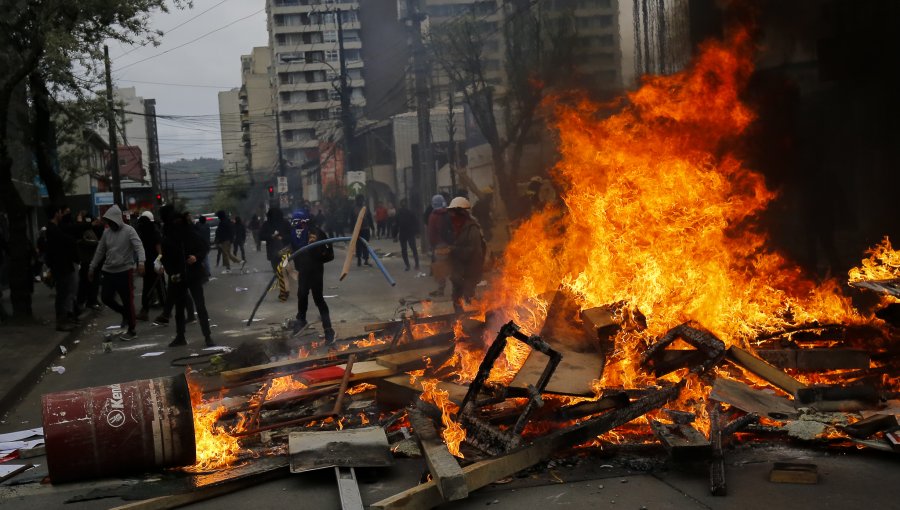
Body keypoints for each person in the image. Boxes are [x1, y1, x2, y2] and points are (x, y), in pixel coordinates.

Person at [88, 204, 145, 340]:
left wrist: (141, 262)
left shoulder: (129, 230)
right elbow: (100, 251)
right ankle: (125, 313)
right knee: (106, 297)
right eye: (108, 222)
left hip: (124, 271)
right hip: (108, 270)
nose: (110, 224)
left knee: (127, 300)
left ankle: (132, 329)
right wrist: (92, 267)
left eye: (111, 221)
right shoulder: (106, 233)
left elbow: (139, 246)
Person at [161, 207, 214, 347]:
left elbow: (204, 248)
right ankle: (180, 336)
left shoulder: (191, 234)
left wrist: (196, 257)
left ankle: (207, 336)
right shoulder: (168, 238)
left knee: (200, 306)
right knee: (179, 308)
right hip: (178, 277)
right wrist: (172, 273)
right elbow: (165, 259)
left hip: (194, 274)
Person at [288, 209, 335, 343]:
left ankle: (328, 330)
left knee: (318, 299)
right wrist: (281, 254)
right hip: (303, 270)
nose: (296, 226)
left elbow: (324, 246)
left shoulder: (314, 232)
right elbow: (292, 248)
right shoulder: (294, 234)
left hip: (315, 270)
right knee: (302, 295)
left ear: (304, 222)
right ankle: (301, 320)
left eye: (298, 223)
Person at [446, 197, 485, 313]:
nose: (451, 215)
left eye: (454, 212)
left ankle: (472, 327)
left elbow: (474, 251)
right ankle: (460, 325)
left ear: (461, 212)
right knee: (457, 300)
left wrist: (453, 250)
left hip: (469, 272)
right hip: (458, 272)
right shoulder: (458, 227)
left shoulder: (472, 229)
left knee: (468, 301)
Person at [45, 205, 79, 331]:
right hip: (60, 266)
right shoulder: (53, 229)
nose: (62, 215)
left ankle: (65, 319)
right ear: (56, 214)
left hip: (63, 265)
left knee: (65, 292)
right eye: (60, 213)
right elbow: (66, 241)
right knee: (62, 294)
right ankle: (61, 321)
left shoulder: (55, 228)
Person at [135, 211, 163, 321]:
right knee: (151, 288)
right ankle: (146, 310)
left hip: (152, 264)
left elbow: (159, 251)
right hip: (148, 264)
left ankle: (164, 310)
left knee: (156, 288)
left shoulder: (150, 233)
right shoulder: (146, 234)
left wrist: (159, 263)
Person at [260, 207, 292, 301]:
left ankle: (284, 291)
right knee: (281, 272)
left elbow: (291, 235)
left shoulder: (284, 223)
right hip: (275, 252)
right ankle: (285, 290)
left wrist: (282, 238)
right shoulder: (267, 224)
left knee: (281, 272)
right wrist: (271, 236)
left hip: (283, 250)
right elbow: (261, 236)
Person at [426, 194, 452, 296]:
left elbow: (431, 233)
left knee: (440, 269)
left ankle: (441, 290)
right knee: (452, 266)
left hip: (439, 246)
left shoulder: (433, 216)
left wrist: (432, 245)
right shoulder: (448, 214)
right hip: (450, 244)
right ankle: (457, 289)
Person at [396, 199, 419, 272]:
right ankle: (409, 265)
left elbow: (415, 222)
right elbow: (396, 224)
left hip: (408, 233)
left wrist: (417, 232)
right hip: (406, 233)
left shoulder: (407, 212)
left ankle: (414, 265)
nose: (403, 204)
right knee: (408, 250)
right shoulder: (401, 213)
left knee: (410, 249)